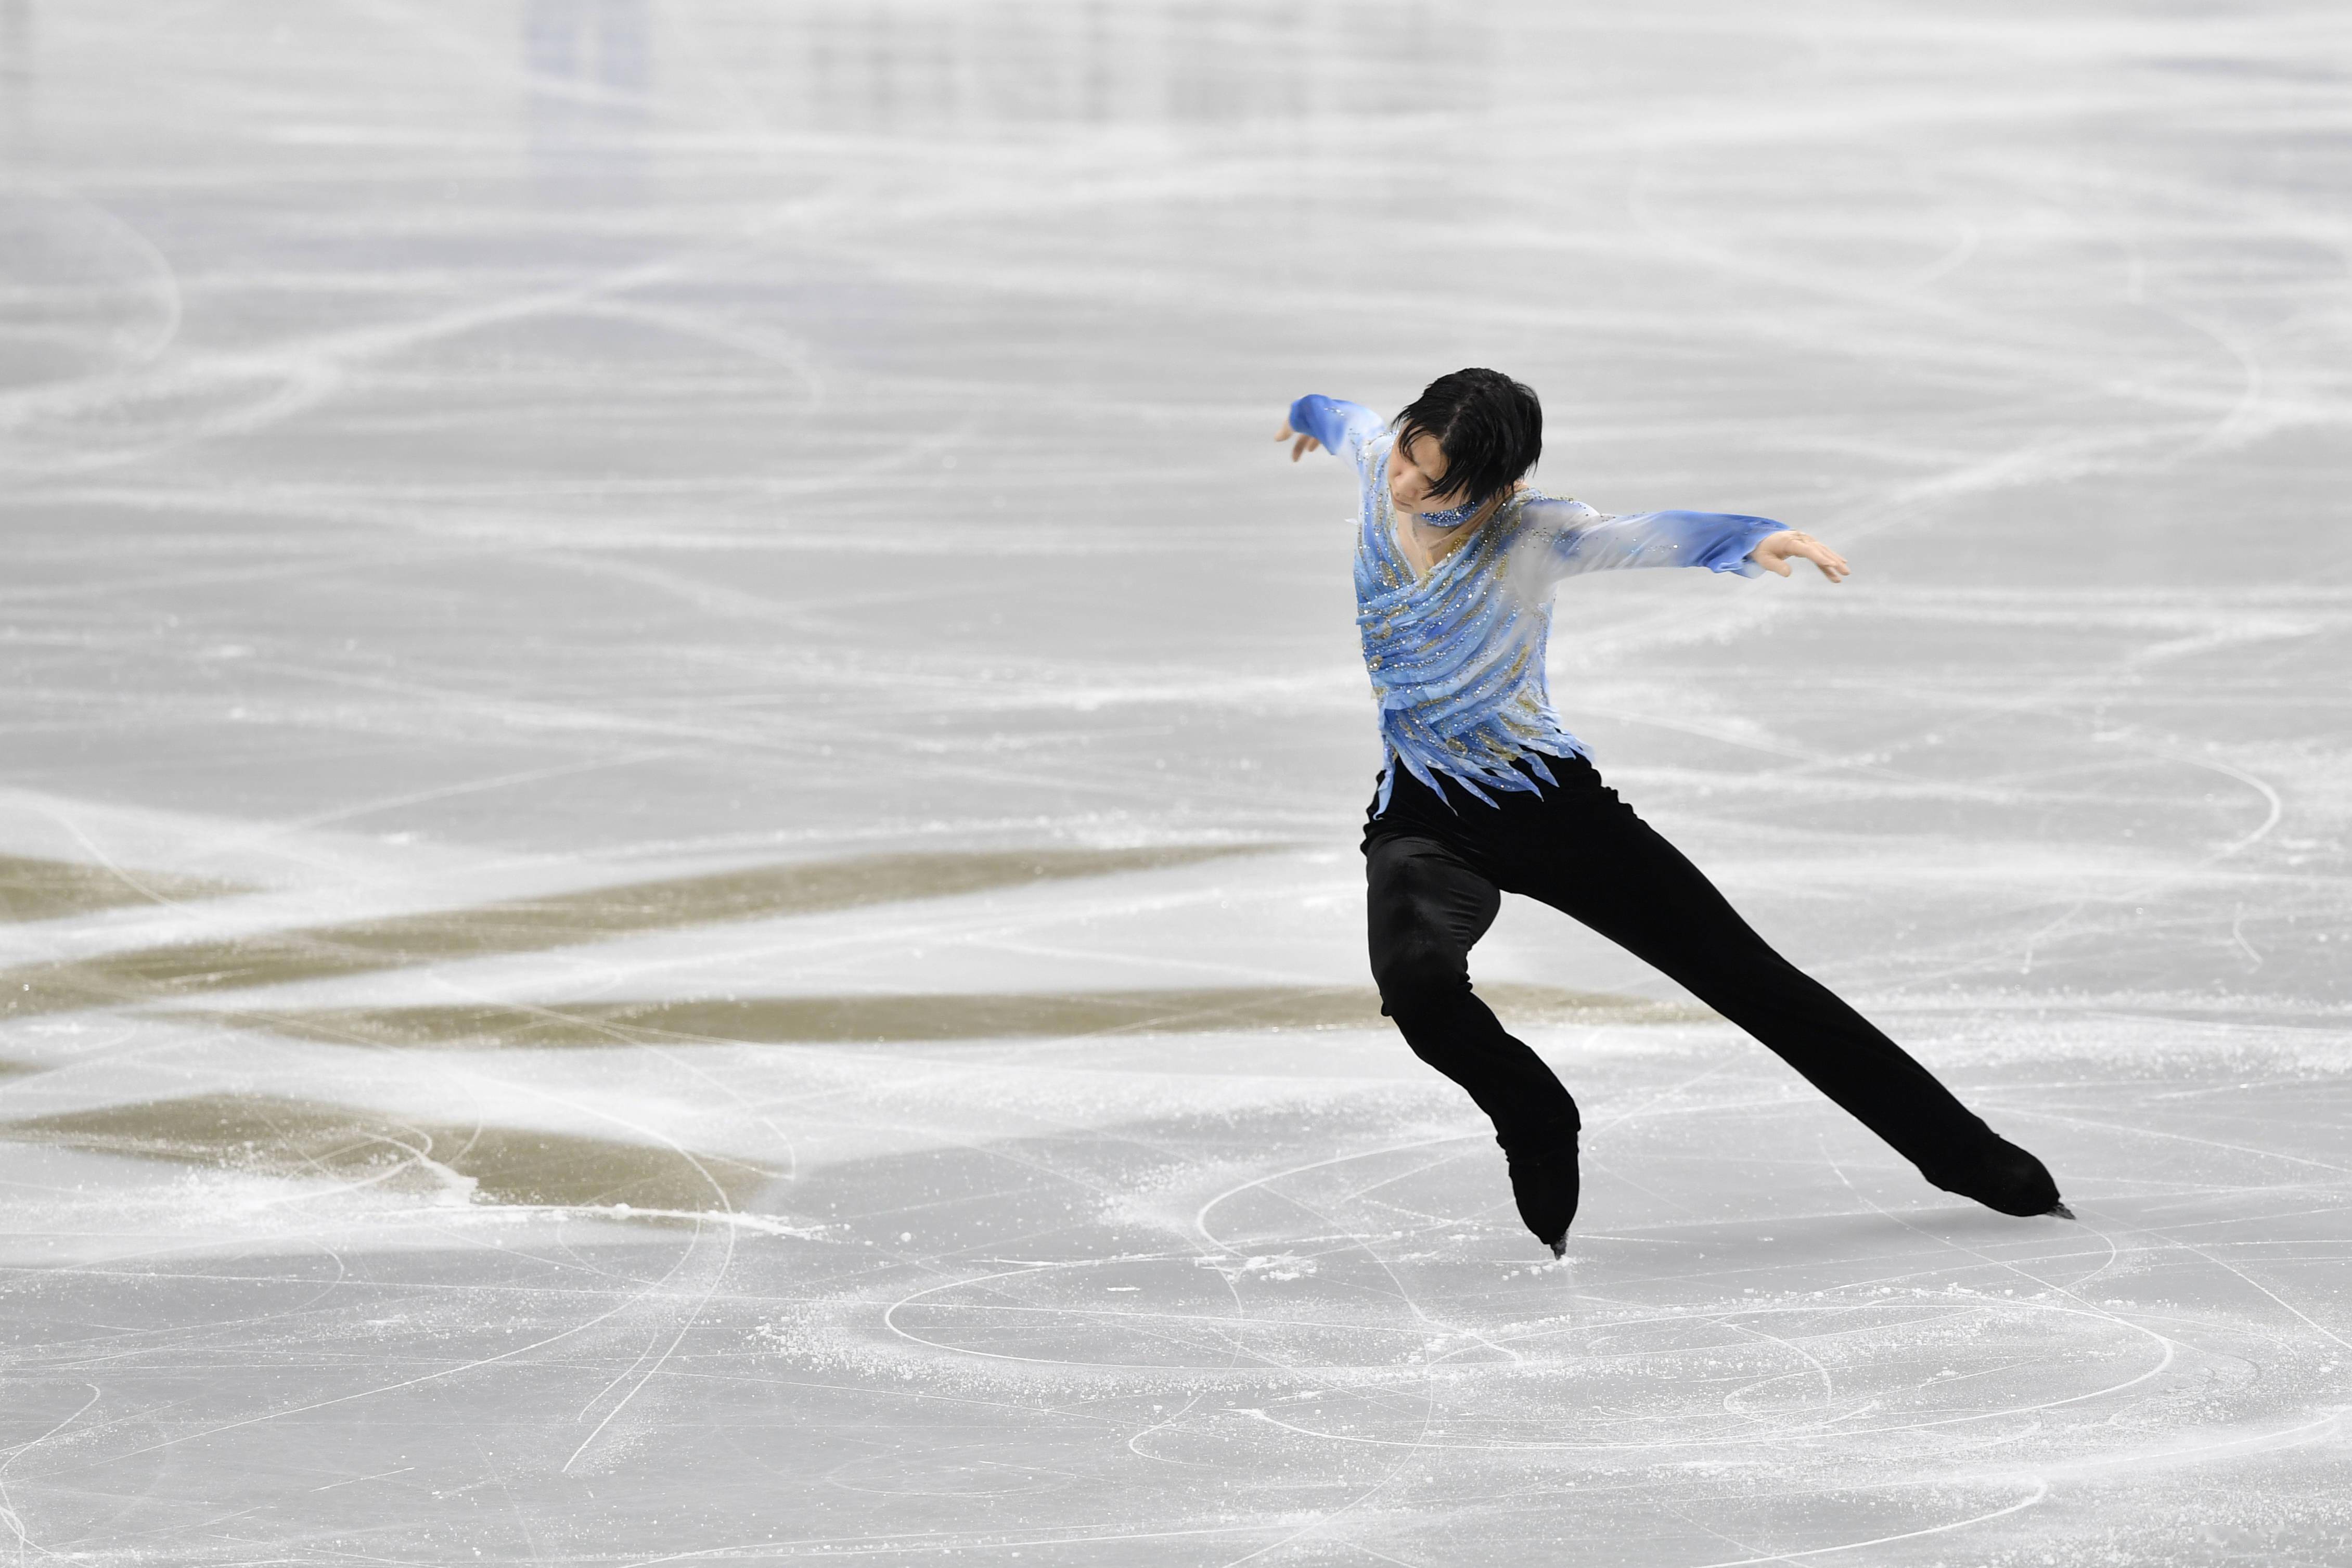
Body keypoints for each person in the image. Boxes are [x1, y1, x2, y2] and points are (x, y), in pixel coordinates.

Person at [1279, 368, 2068, 1257]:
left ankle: (1970, 1158)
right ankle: (1535, 1114)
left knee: (1753, 982)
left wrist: (1755, 538)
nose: (1409, 484)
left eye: (1439, 477)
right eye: (1411, 457)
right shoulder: (1381, 458)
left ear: (1499, 486)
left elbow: (1647, 537)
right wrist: (1304, 414)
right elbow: (1340, 418)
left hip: (1553, 811)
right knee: (1417, 987)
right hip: (1423, 813)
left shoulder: (1531, 533)